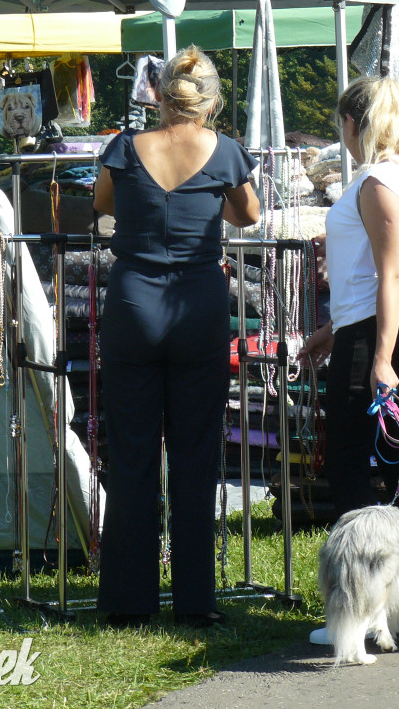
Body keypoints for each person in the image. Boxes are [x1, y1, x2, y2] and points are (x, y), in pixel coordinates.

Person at [93, 46, 260, 629]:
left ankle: (127, 602)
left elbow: (102, 203)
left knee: (133, 454)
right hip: (198, 307)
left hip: (134, 301)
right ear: (212, 101)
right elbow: (249, 215)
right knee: (195, 456)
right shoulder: (227, 152)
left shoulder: (124, 147)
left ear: (157, 96)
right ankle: (195, 600)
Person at [296, 76, 399, 516]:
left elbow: (391, 274)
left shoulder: (378, 180)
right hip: (376, 328)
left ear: (351, 124)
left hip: (376, 334)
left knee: (350, 455)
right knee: (396, 448)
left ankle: (366, 561)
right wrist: (332, 331)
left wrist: (381, 357)